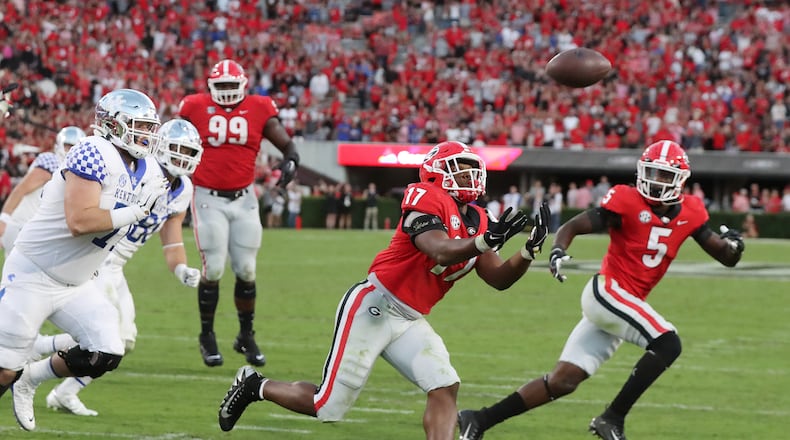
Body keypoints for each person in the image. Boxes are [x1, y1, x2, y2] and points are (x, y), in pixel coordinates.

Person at [216, 141, 551, 439]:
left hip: (410, 319)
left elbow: (498, 278)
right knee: (327, 406)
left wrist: (526, 252)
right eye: (459, 170)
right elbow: (438, 248)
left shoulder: (478, 218)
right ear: (435, 173)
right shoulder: (425, 196)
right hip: (375, 305)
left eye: (471, 171)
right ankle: (254, 385)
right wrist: (482, 242)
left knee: (444, 386)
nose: (468, 177)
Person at [458, 140, 745, 440]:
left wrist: (735, 247)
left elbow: (724, 255)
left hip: (624, 303)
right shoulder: (626, 200)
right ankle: (613, 418)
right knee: (668, 343)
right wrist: (558, 249)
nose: (655, 182)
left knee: (562, 381)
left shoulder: (692, 211)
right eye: (651, 172)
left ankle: (478, 419)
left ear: (680, 180)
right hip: (607, 292)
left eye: (663, 175)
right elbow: (573, 226)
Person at [0, 88, 168, 431]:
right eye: (140, 126)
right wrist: (134, 211)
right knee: (4, 367)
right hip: (34, 273)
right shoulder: (93, 150)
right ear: (114, 125)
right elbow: (79, 221)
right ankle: (17, 373)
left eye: (150, 127)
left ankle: (31, 378)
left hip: (76, 284)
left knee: (106, 351)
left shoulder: (150, 169)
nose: (148, 135)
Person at [38, 119, 204, 417]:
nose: (182, 157)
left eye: (188, 151)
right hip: (96, 257)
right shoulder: (141, 170)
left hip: (117, 266)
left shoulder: (183, 189)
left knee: (123, 341)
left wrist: (181, 270)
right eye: (177, 149)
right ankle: (37, 355)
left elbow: (171, 240)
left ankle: (63, 389)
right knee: (105, 335)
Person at [176, 59, 300, 367]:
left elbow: (287, 145)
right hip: (207, 197)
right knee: (214, 269)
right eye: (223, 87)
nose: (229, 92)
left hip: (245, 198)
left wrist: (291, 161)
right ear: (211, 87)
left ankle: (246, 336)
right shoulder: (194, 107)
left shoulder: (259, 107)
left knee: (246, 270)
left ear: (244, 85)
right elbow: (173, 140)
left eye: (233, 86)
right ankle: (207, 335)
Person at [0, 126, 86, 253]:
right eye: (68, 146)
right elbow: (21, 189)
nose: (70, 151)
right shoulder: (52, 161)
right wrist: (4, 219)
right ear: (59, 145)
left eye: (75, 147)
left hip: (34, 229)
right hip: (22, 225)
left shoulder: (73, 172)